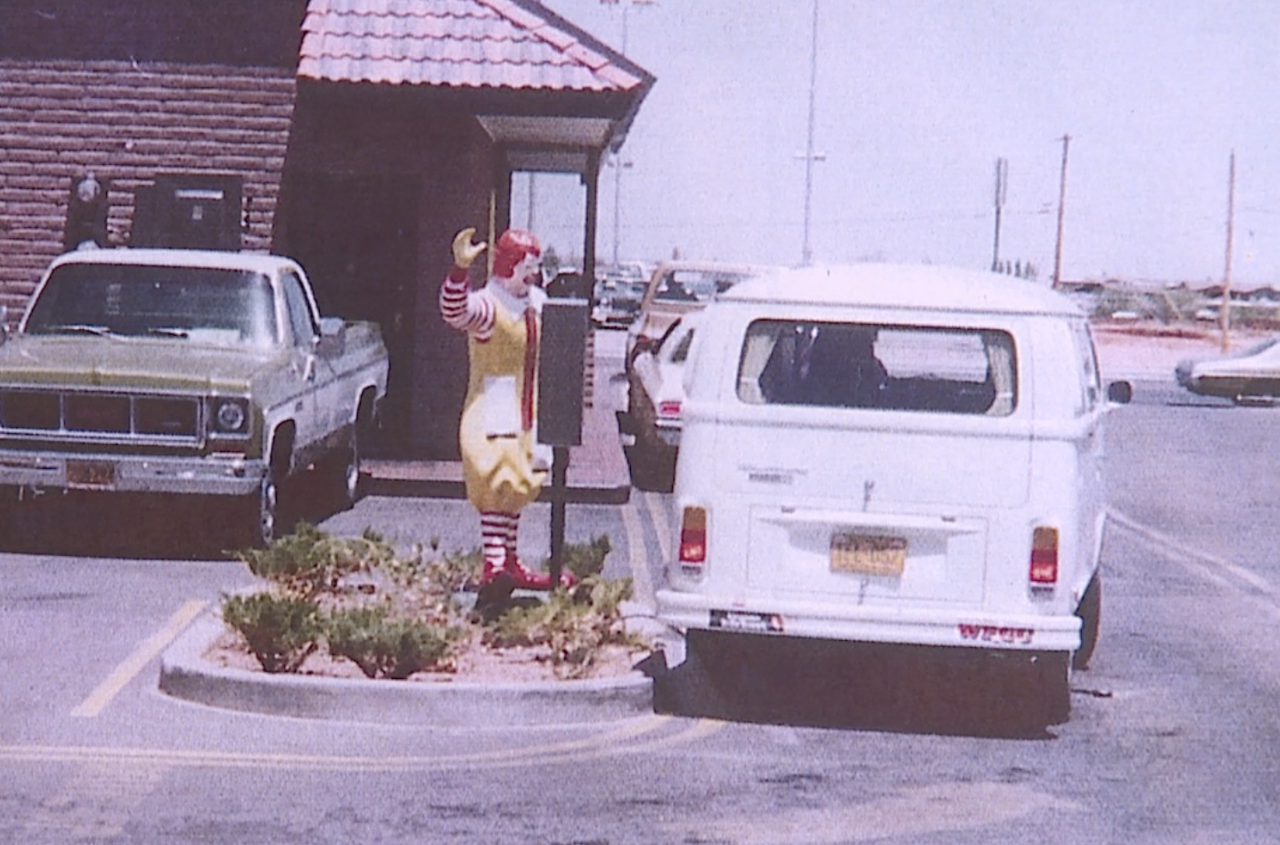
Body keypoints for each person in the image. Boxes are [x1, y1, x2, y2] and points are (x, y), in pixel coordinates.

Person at [439, 227, 573, 597]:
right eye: (528, 266)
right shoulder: (489, 305)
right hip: (493, 407)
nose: (534, 274)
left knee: (517, 484)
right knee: (497, 480)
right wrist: (459, 271)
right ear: (510, 264)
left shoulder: (536, 304)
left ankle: (509, 560)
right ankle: (495, 561)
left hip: (526, 407)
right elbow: (455, 311)